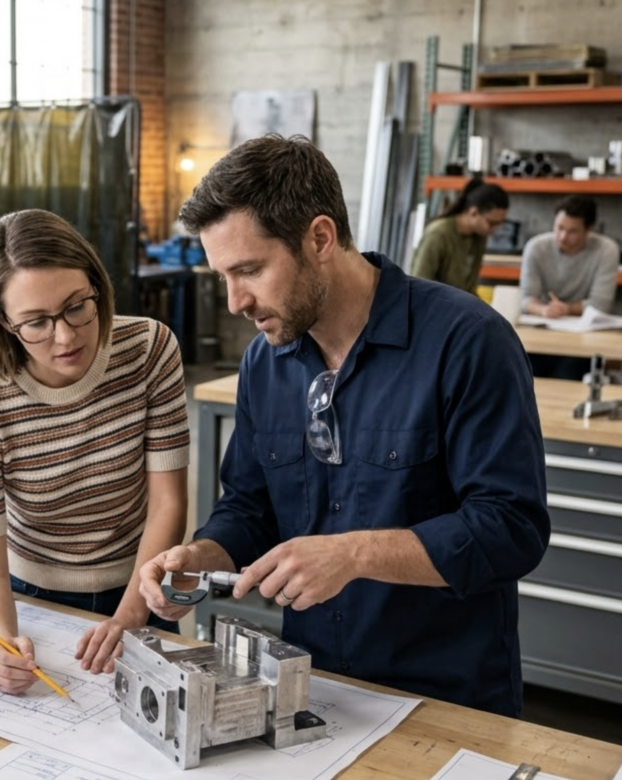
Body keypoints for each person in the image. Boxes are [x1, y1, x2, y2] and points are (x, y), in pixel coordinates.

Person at [137, 135, 550, 717]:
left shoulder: (467, 342)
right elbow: (252, 507)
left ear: (320, 238)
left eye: (250, 270)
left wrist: (354, 554)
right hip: (311, 687)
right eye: (222, 276)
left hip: (446, 696)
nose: (235, 302)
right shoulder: (266, 360)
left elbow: (512, 529)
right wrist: (204, 555)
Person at [0, 208, 190, 696]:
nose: (66, 335)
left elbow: (168, 502)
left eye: (78, 306)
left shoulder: (149, 351)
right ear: (1, 320)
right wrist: (1, 644)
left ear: (97, 284)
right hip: (33, 599)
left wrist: (130, 615)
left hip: (140, 584)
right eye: (35, 322)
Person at [520, 196, 621, 379]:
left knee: (568, 372)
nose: (563, 236)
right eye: (559, 228)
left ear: (589, 229)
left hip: (584, 336)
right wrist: (543, 309)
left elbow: (600, 305)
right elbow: (526, 299)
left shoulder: (607, 250)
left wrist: (566, 309)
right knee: (523, 373)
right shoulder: (536, 247)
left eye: (573, 231)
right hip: (542, 331)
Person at [410, 177, 510, 294]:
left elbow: (470, 287)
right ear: (474, 212)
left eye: (499, 224)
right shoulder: (438, 234)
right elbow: (419, 283)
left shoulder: (479, 237)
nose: (495, 229)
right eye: (492, 223)